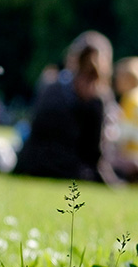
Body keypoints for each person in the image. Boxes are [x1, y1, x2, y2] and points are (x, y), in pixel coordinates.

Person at [14, 31, 119, 183]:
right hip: (67, 169)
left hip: (30, 164)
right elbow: (94, 153)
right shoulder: (97, 97)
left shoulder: (51, 85)